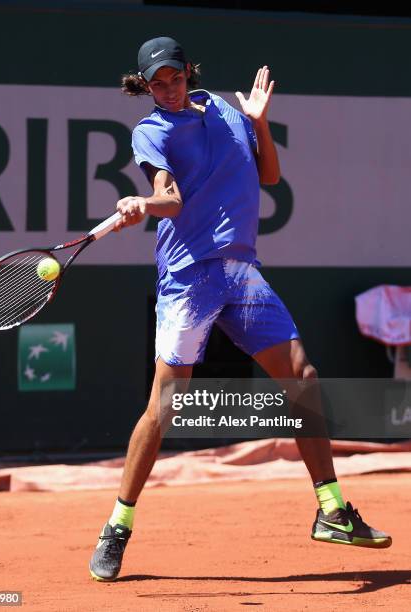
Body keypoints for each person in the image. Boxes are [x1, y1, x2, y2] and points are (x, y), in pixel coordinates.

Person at [89, 36, 391, 582]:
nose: (169, 89)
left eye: (175, 77)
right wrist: (143, 205)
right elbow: (171, 198)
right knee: (165, 406)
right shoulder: (152, 131)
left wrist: (258, 123)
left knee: (302, 376)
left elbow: (269, 176)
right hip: (189, 280)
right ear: (145, 87)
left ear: (188, 72)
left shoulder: (225, 111)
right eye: (157, 83)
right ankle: (117, 526)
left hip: (239, 272)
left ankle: (331, 511)